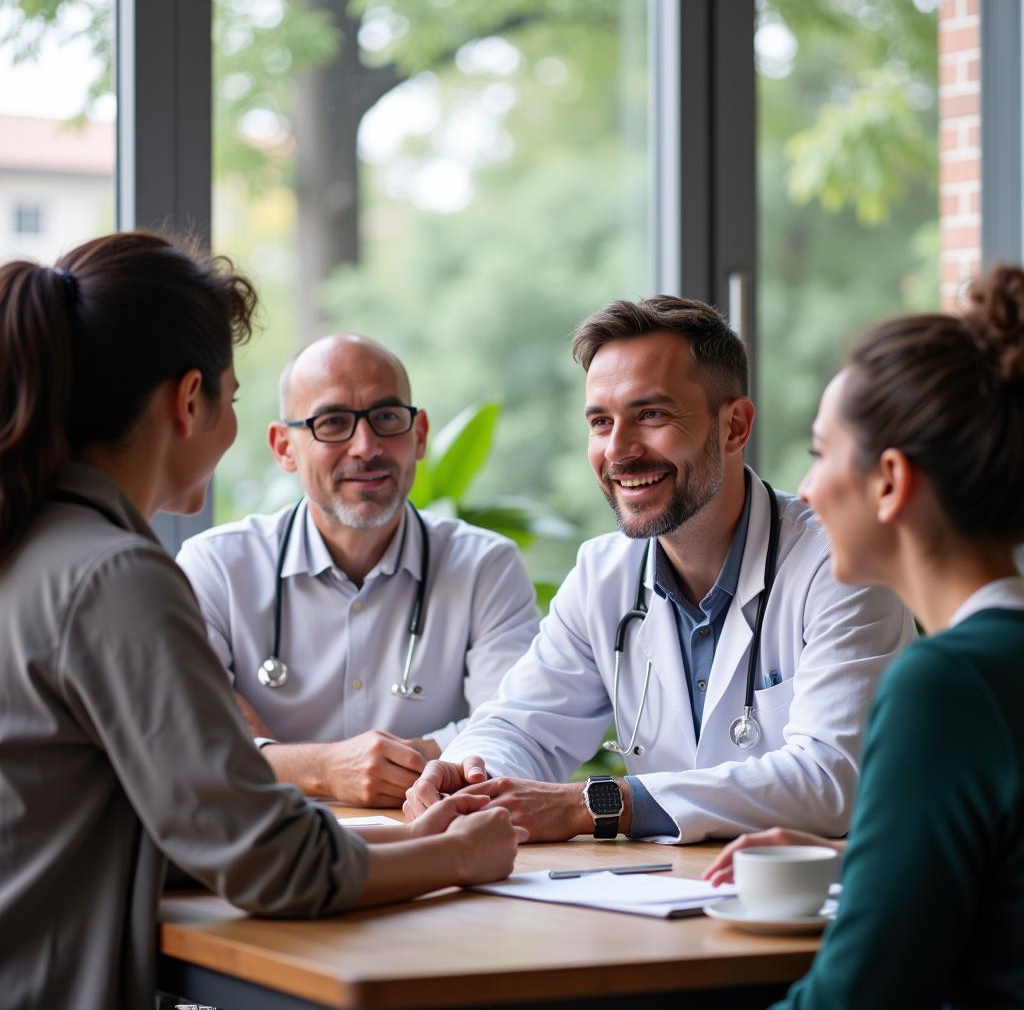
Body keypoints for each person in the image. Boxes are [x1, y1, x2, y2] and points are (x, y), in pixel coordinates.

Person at [0, 232, 522, 1010]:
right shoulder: (118, 576)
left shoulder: (36, 545)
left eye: (386, 419)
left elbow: (180, 828)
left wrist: (414, 838)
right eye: (233, 397)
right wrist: (456, 859)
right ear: (188, 402)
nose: (365, 447)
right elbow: (268, 862)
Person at [404, 295, 917, 844]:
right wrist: (468, 774)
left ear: (734, 427)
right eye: (601, 422)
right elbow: (521, 723)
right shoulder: (603, 575)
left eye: (651, 414)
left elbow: (830, 778)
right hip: (667, 898)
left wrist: (599, 803)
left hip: (815, 908)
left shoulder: (841, 564)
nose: (619, 451)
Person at [701, 267, 1024, 1008]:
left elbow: (862, 996)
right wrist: (858, 864)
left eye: (820, 453)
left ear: (888, 481)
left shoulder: (947, 687)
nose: (805, 490)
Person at [176, 333, 539, 807]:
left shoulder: (485, 567)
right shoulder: (217, 569)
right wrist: (325, 769)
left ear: (420, 434)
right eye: (333, 423)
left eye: (387, 418)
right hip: (268, 854)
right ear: (284, 447)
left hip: (436, 848)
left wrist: (281, 761)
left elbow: (514, 730)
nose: (365, 447)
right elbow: (190, 745)